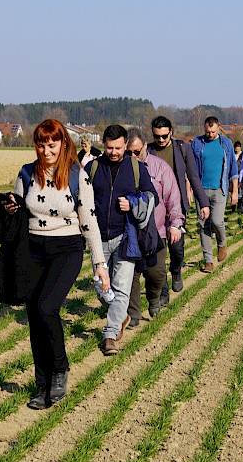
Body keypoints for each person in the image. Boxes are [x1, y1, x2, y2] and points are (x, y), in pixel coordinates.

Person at [9, 120, 109, 410]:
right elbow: (19, 210)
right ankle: (42, 384)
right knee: (34, 317)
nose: (46, 150)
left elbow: (89, 222)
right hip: (32, 250)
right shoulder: (27, 173)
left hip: (66, 250)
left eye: (52, 144)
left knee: (46, 308)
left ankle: (60, 370)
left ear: (63, 143)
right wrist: (11, 207)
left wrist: (99, 264)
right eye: (41, 144)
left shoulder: (78, 176)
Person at [90, 124, 158, 356]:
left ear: (126, 144)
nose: (114, 152)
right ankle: (122, 315)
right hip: (98, 240)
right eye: (109, 147)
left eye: (118, 147)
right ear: (103, 144)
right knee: (101, 288)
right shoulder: (93, 168)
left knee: (121, 289)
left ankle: (110, 335)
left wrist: (133, 203)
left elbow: (152, 197)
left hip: (126, 238)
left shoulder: (137, 169)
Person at [148, 115, 209, 301]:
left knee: (177, 248)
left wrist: (204, 202)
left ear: (171, 133)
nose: (160, 140)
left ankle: (176, 270)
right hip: (154, 209)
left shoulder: (183, 149)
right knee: (158, 254)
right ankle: (163, 291)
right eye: (157, 136)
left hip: (176, 205)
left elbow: (193, 177)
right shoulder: (148, 150)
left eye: (164, 136)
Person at [126, 128, 183, 321]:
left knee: (156, 273)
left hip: (155, 233)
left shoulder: (160, 168)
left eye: (136, 152)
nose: (133, 156)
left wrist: (175, 224)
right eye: (129, 153)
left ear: (144, 146)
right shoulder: (121, 170)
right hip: (129, 234)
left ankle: (154, 298)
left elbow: (172, 198)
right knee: (130, 276)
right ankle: (133, 313)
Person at [191, 117, 240, 272]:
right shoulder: (197, 143)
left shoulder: (226, 144)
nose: (210, 134)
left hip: (220, 189)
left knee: (217, 221)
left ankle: (221, 243)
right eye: (207, 131)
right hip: (201, 190)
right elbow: (191, 169)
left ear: (218, 128)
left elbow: (233, 169)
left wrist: (235, 192)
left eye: (213, 131)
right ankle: (208, 261)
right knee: (204, 225)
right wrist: (189, 189)